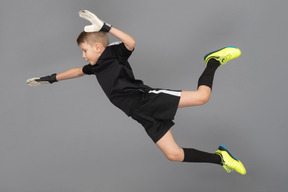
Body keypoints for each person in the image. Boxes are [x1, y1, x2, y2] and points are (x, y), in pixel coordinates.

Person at [27, 10, 246, 175]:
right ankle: (221, 158)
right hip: (141, 115)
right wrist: (51, 79)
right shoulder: (95, 67)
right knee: (174, 155)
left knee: (202, 97)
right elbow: (77, 72)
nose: (83, 56)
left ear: (98, 47)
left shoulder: (114, 54)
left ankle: (213, 61)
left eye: (84, 50)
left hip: (147, 99)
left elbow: (130, 43)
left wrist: (105, 27)